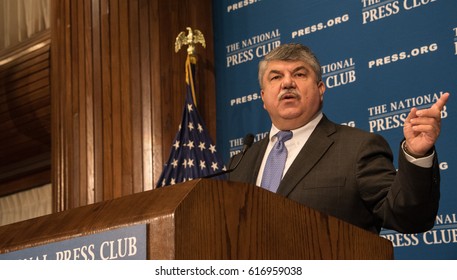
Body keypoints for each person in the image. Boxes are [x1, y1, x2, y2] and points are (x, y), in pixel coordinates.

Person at [227, 43, 450, 234]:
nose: (287, 83)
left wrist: (417, 155)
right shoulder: (240, 163)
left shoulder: (358, 148)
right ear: (263, 98)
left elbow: (409, 217)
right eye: (276, 77)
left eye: (299, 74)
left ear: (320, 88)